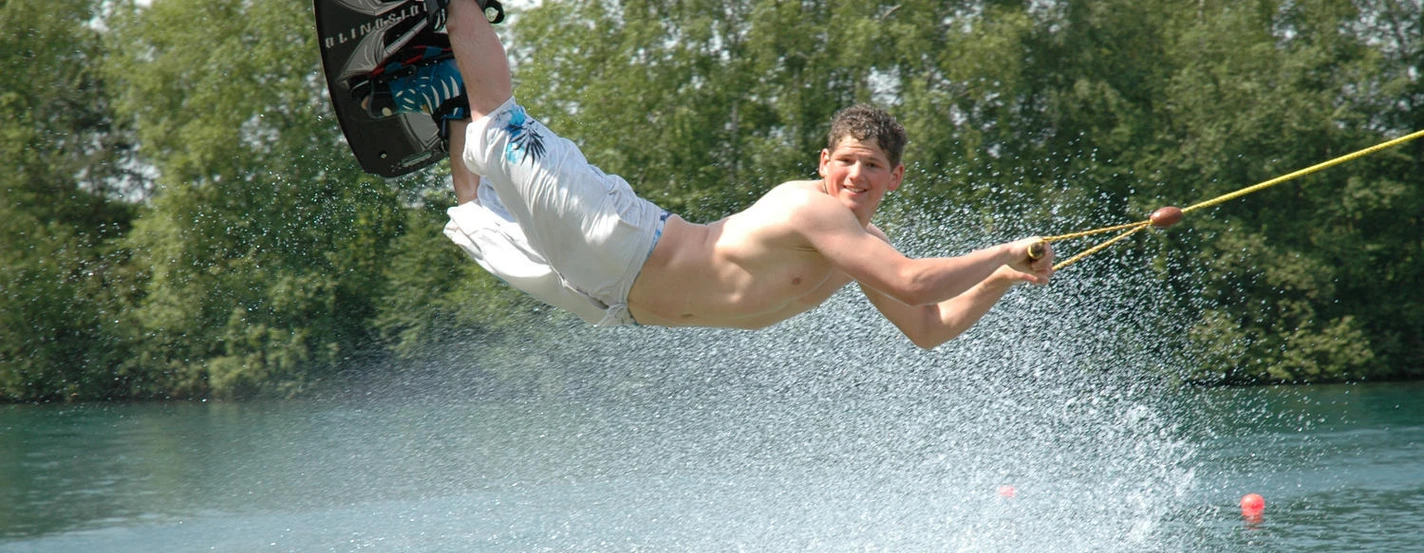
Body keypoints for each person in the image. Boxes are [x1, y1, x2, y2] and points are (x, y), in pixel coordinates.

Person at [382, 0, 1053, 348]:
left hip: (611, 304)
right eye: (844, 160)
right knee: (500, 121)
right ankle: (458, 12)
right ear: (824, 164)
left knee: (477, 215)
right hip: (619, 239)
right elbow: (914, 281)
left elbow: (927, 327)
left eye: (871, 166)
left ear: (893, 178)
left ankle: (447, 96)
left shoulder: (858, 252)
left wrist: (1001, 278)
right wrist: (1002, 248)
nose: (855, 175)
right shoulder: (816, 212)